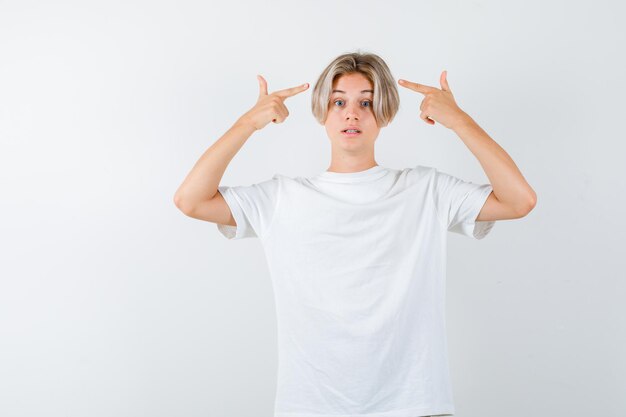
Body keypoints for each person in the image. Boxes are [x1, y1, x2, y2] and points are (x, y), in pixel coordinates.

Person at [174, 51, 536, 417]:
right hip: (312, 406)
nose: (352, 113)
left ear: (385, 113)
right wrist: (246, 124)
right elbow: (190, 200)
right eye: (338, 102)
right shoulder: (282, 198)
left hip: (413, 404)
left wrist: (460, 122)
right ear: (321, 112)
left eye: (367, 102)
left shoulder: (426, 190)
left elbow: (519, 201)